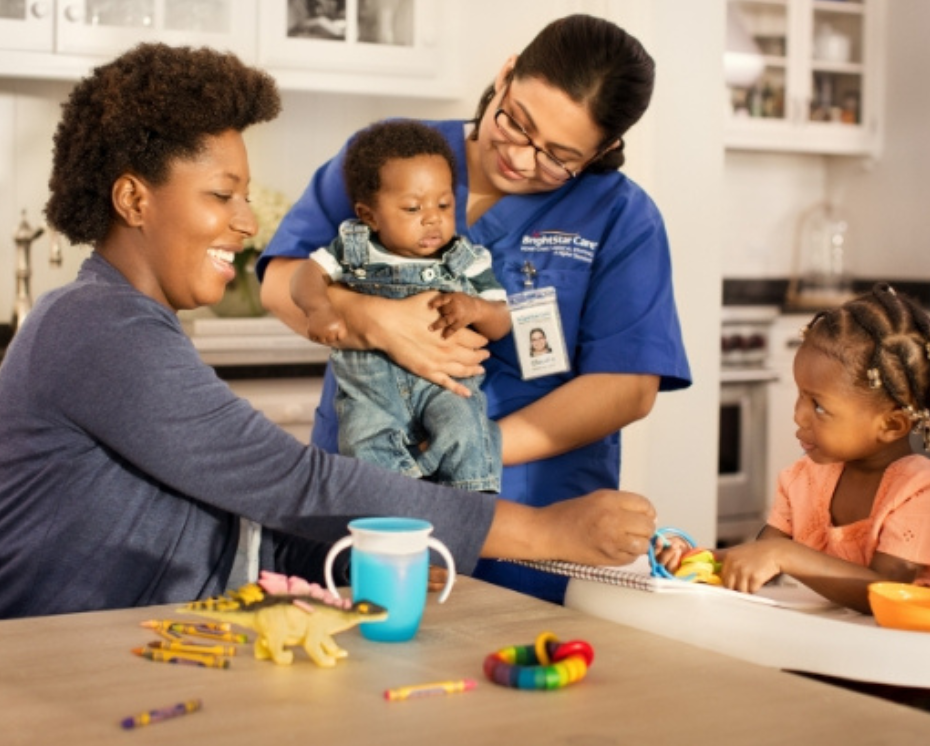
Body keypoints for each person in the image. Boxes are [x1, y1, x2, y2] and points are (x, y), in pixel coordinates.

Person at [0, 43, 662, 620]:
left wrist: (362, 554)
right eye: (221, 195)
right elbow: (294, 483)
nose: (246, 224)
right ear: (135, 200)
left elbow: (228, 522)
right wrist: (545, 530)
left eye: (244, 197)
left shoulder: (129, 320)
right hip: (72, 658)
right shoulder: (97, 329)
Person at [258, 14, 692, 603]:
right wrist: (374, 322)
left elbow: (627, 387)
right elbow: (281, 280)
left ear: (603, 151)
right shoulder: (392, 153)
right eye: (516, 121)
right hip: (365, 486)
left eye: (558, 157)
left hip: (533, 510)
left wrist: (462, 448)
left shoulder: (623, 218)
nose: (520, 156)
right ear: (506, 73)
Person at [660, 284, 930, 614]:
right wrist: (698, 558)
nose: (798, 415)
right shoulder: (804, 479)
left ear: (890, 425)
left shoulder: (924, 491)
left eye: (819, 406)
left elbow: (887, 592)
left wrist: (786, 555)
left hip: (912, 654)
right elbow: (761, 555)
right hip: (829, 641)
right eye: (800, 395)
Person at [290, 119, 509, 492]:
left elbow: (501, 321)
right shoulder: (353, 248)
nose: (432, 218)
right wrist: (320, 309)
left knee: (466, 427)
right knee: (362, 441)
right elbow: (304, 277)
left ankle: (471, 504)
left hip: (444, 387)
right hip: (371, 394)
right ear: (369, 215)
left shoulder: (466, 259)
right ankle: (397, 507)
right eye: (411, 208)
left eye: (444, 203)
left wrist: (475, 310)